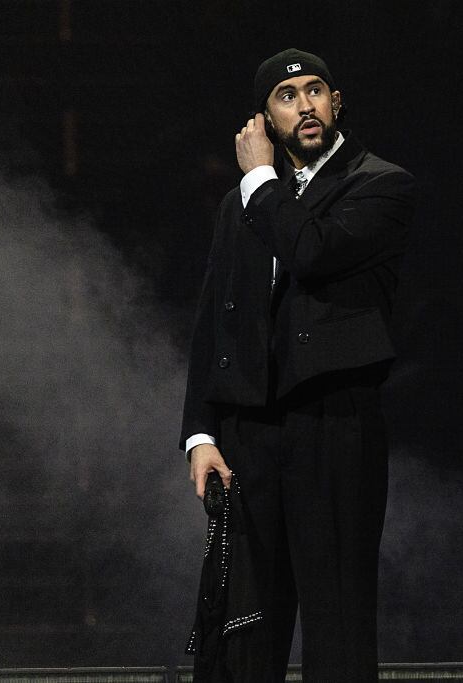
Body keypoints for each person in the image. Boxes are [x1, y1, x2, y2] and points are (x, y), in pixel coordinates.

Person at [180, 48, 415, 682]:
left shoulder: (379, 184)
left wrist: (258, 180)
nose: (305, 104)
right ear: (263, 118)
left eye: (316, 91)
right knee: (241, 629)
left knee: (336, 622)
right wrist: (201, 434)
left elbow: (312, 250)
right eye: (287, 96)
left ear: (336, 104)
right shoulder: (240, 205)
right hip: (250, 435)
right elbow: (214, 322)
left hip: (334, 424)